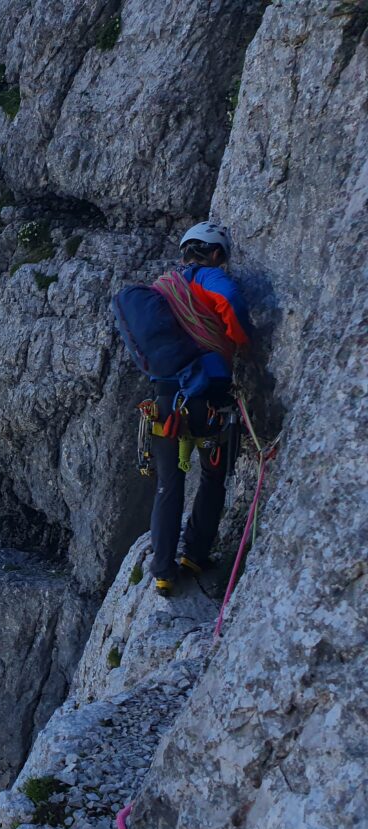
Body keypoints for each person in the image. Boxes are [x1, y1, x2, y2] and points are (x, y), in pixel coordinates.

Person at [149, 221, 254, 597]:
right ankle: (194, 554)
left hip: (165, 403)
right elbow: (231, 302)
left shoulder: (163, 289)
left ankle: (162, 571)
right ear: (213, 253)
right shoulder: (207, 278)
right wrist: (240, 340)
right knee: (212, 477)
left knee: (168, 483)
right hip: (209, 400)